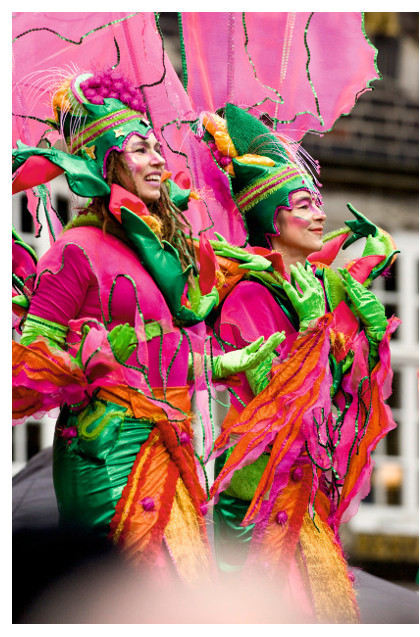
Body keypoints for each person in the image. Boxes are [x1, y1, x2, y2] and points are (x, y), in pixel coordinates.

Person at [11, 70, 274, 581]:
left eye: (158, 148)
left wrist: (219, 363)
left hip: (168, 446)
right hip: (103, 454)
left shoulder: (153, 257)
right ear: (106, 161)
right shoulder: (75, 249)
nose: (158, 160)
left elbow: (161, 357)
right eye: (140, 149)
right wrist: (87, 359)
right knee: (121, 595)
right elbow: (29, 358)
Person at [197, 103, 399, 622]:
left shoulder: (326, 285)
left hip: (306, 492)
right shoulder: (246, 293)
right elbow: (273, 400)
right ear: (274, 218)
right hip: (258, 494)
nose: (320, 216)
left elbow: (342, 393)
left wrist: (370, 338)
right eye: (304, 205)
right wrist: (313, 331)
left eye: (318, 204)